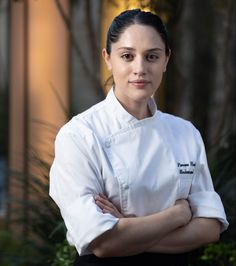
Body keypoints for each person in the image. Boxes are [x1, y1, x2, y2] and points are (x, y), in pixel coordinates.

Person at [49, 9, 229, 266]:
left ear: (166, 60)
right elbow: (102, 243)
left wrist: (126, 229)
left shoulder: (185, 133)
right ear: (108, 58)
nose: (140, 68)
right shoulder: (80, 135)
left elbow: (210, 228)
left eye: (152, 56)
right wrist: (177, 215)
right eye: (127, 56)